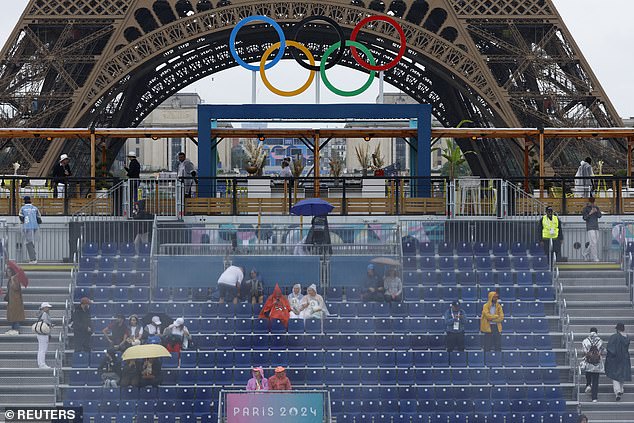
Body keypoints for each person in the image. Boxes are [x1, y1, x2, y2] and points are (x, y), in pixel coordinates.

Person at [605, 322, 632, 401]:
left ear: (617, 329)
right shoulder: (627, 337)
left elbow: (610, 348)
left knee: (615, 375)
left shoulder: (614, 337)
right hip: (625, 358)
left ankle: (618, 391)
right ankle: (621, 388)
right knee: (622, 374)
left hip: (615, 358)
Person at [581, 327, 605, 403]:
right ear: (596, 332)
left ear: (590, 332)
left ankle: (588, 385)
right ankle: (594, 398)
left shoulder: (585, 340)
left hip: (588, 361)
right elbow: (601, 351)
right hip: (597, 363)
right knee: (595, 380)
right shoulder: (600, 341)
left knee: (588, 374)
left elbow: (584, 351)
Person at [19, 196, 41, 264]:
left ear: (24, 201)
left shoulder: (23, 208)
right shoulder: (35, 208)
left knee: (28, 242)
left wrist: (23, 222)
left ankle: (33, 259)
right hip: (35, 227)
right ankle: (33, 257)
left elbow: (21, 217)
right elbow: (39, 218)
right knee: (32, 242)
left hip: (27, 227)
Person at [4, 266, 25, 335]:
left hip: (16, 301)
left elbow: (16, 288)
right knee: (13, 316)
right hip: (11, 300)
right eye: (7, 272)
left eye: (9, 271)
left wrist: (13, 280)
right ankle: (13, 329)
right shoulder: (10, 279)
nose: (8, 273)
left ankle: (16, 329)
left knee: (16, 316)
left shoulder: (15, 278)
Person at [582, 197, 602, 262]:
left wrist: (597, 211)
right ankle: (595, 257)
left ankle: (585, 253)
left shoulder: (596, 208)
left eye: (593, 202)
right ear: (589, 202)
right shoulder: (585, 209)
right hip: (590, 227)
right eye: (591, 202)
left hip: (596, 227)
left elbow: (600, 216)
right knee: (593, 242)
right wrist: (590, 213)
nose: (592, 203)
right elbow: (584, 218)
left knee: (593, 243)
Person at [36, 302, 53, 369]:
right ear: (44, 308)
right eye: (47, 307)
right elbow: (45, 323)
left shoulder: (40, 313)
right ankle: (42, 364)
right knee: (43, 349)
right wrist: (50, 326)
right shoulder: (45, 314)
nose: (48, 309)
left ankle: (40, 363)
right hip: (43, 333)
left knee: (41, 349)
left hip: (39, 333)